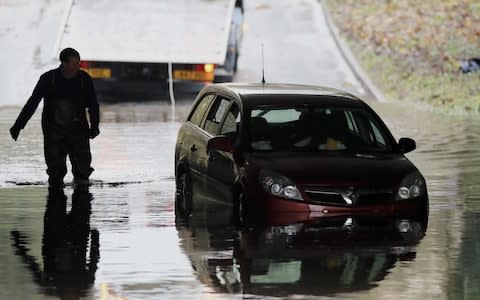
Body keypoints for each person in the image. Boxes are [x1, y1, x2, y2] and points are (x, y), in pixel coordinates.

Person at [9, 47, 100, 186]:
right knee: (55, 175)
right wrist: (18, 126)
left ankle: (82, 203)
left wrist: (95, 126)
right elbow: (32, 103)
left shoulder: (84, 79)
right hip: (54, 134)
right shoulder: (48, 79)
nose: (77, 67)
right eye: (74, 63)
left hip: (79, 133)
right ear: (63, 63)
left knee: (82, 174)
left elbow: (93, 105)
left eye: (78, 63)